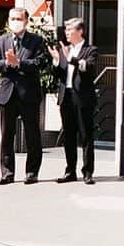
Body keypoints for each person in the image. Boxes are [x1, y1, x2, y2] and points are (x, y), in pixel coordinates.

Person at [0, 7, 47, 185]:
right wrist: (7, 63)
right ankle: (7, 172)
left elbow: (40, 63)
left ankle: (32, 172)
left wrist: (19, 63)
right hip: (7, 94)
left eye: (19, 18)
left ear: (26, 20)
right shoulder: (1, 41)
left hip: (28, 94)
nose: (15, 22)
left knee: (32, 135)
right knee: (7, 135)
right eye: (12, 18)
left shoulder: (36, 40)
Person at [47, 18, 98, 185]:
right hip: (66, 96)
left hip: (82, 98)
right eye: (66, 30)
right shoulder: (64, 49)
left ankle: (88, 172)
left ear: (80, 31)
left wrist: (72, 59)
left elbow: (88, 68)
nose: (67, 33)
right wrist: (56, 60)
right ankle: (70, 171)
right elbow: (59, 75)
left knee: (86, 136)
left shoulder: (90, 50)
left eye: (70, 30)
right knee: (68, 135)